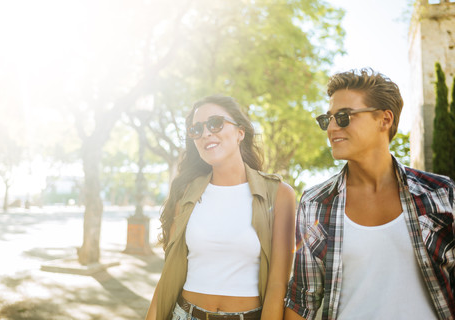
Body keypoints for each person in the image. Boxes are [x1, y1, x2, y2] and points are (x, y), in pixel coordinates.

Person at [284, 68, 455, 320]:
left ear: (384, 120)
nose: (331, 128)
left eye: (343, 117)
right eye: (327, 119)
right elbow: (302, 301)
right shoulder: (315, 203)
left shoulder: (441, 193)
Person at [145, 94, 296, 320]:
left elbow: (277, 285)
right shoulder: (186, 193)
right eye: (196, 129)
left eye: (215, 123)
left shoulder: (279, 194)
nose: (206, 133)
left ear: (240, 132)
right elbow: (168, 275)